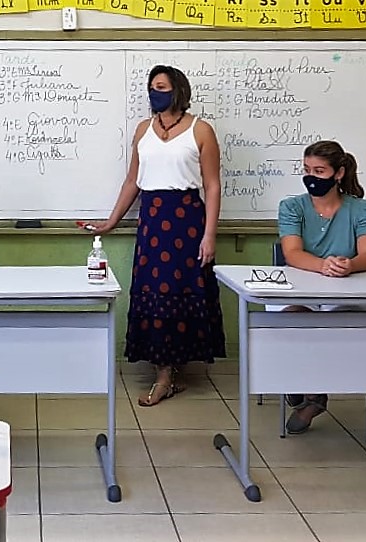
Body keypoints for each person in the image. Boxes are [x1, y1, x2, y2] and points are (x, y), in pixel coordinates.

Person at [81, 65, 226, 407]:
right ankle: (163, 372)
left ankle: (173, 372)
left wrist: (209, 236)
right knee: (154, 292)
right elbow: (133, 181)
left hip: (188, 220)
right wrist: (110, 222)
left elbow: (212, 185)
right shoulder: (143, 129)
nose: (154, 92)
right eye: (150, 87)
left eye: (160, 86)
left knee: (183, 291)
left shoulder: (200, 130)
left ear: (177, 89)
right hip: (153, 220)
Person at [277, 140, 366, 434]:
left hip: (346, 292)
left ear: (338, 173)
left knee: (337, 326)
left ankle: (310, 392)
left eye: (319, 170)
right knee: (294, 318)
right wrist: (323, 265)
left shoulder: (361, 209)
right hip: (299, 290)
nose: (311, 176)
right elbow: (292, 253)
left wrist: (350, 265)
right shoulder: (292, 206)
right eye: (306, 170)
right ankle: (311, 391)